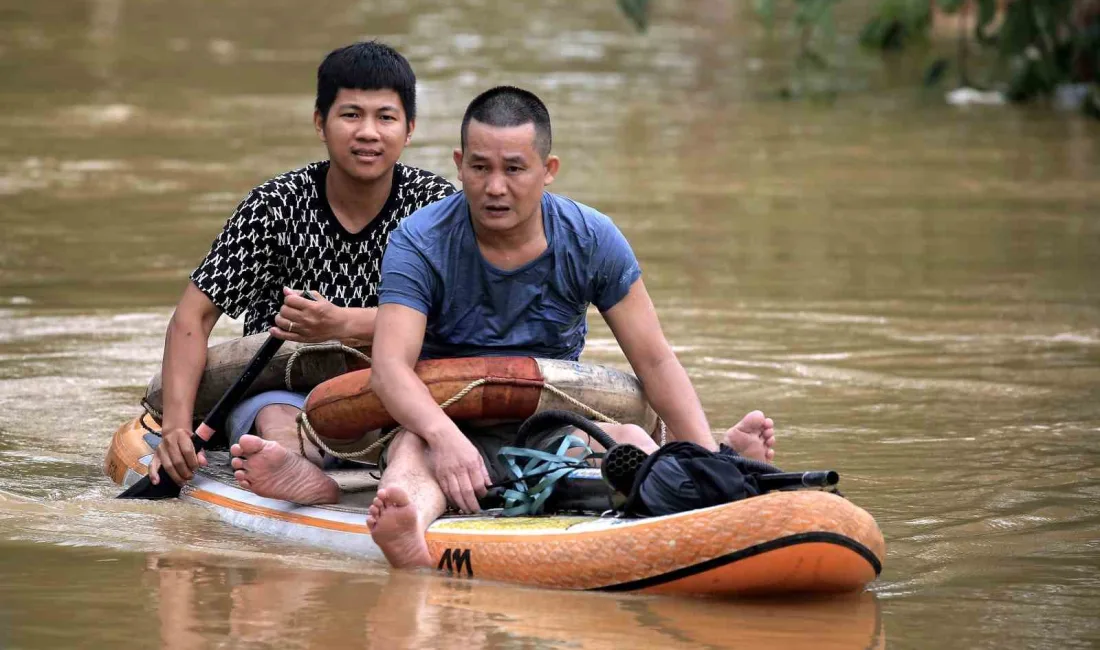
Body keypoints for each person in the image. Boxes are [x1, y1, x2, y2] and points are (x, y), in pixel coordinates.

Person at [364, 86, 777, 568]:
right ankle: (407, 528)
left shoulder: (592, 238)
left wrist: (705, 459)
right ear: (459, 164)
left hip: (551, 425)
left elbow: (655, 359)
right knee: (410, 454)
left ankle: (715, 466)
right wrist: (445, 437)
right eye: (480, 168)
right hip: (445, 423)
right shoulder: (419, 241)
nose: (495, 187)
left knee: (631, 442)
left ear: (548, 171)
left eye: (514, 169)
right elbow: (389, 368)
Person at [148, 41, 455, 503]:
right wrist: (175, 428)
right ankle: (293, 469)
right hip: (284, 387)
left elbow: (463, 315)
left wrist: (343, 324)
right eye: (351, 115)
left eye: (386, 117)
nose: (368, 132)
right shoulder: (274, 206)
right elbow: (193, 317)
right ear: (320, 123)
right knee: (274, 422)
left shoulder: (436, 207)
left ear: (409, 129)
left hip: (397, 386)